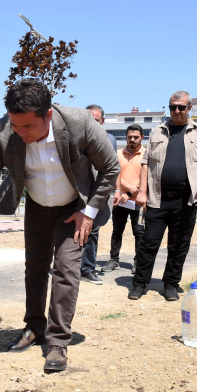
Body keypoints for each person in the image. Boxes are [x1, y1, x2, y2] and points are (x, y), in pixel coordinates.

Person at [0, 79, 119, 372]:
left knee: (66, 269)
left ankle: (58, 341)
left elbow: (111, 167)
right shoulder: (5, 130)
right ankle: (34, 327)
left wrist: (90, 211)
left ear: (47, 115)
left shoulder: (78, 122)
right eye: (14, 125)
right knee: (34, 266)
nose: (19, 133)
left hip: (74, 208)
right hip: (36, 205)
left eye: (27, 127)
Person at [131, 91, 197, 301]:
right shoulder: (157, 131)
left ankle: (170, 284)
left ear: (189, 108)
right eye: (173, 107)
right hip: (157, 199)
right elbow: (145, 163)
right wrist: (142, 192)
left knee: (178, 246)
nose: (176, 111)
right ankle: (139, 283)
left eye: (181, 107)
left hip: (186, 200)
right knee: (148, 244)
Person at [79, 104, 117, 285]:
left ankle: (87, 269)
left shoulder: (110, 139)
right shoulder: (75, 137)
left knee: (92, 231)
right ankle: (66, 266)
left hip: (98, 193)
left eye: (95, 121)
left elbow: (112, 168)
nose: (91, 125)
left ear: (102, 121)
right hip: (77, 192)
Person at [104, 123, 146, 274]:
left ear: (142, 137)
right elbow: (114, 174)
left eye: (136, 137)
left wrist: (129, 193)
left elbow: (148, 178)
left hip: (139, 202)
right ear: (126, 138)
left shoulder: (146, 155)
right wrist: (126, 189)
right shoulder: (118, 154)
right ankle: (114, 260)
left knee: (139, 233)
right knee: (117, 231)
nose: (132, 140)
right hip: (120, 200)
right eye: (130, 137)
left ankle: (138, 262)